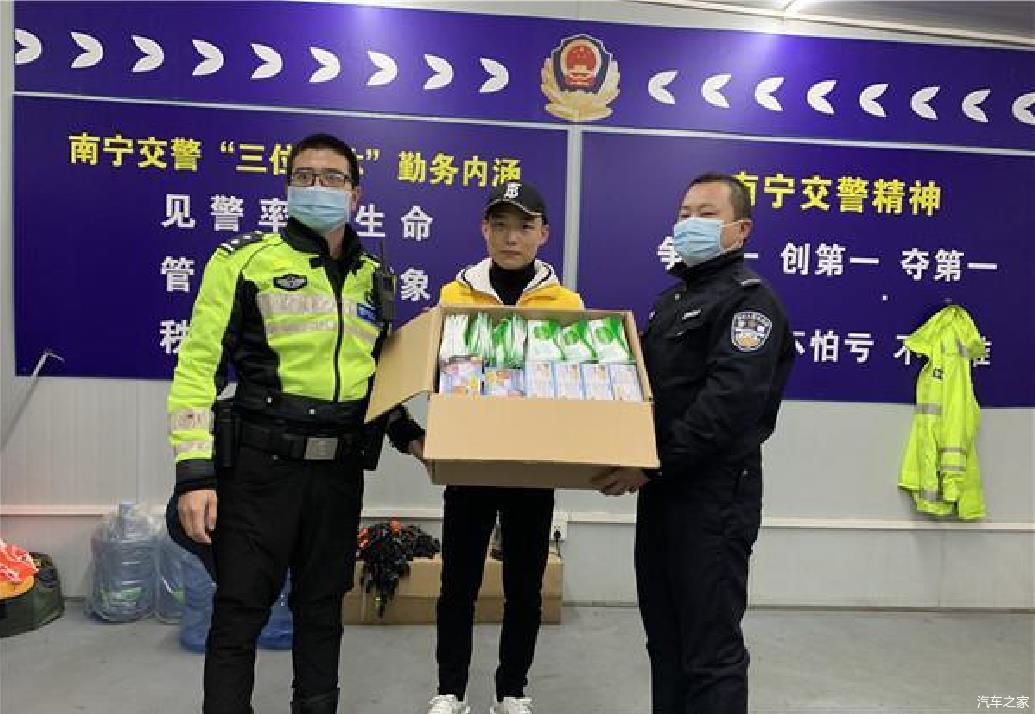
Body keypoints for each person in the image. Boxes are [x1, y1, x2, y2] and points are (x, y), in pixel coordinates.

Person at [166, 133, 425, 714]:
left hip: (338, 475)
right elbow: (197, 371)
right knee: (240, 611)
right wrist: (194, 474)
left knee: (322, 610)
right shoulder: (243, 261)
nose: (317, 188)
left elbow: (375, 379)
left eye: (332, 178)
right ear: (287, 188)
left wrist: (414, 438)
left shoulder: (374, 276)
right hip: (260, 471)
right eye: (304, 177)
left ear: (355, 194)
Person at [595, 172, 795, 714]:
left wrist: (651, 465)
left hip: (714, 498)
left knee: (710, 649)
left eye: (707, 215)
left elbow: (728, 407)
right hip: (662, 493)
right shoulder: (670, 302)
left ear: (741, 229)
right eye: (684, 214)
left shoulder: (750, 305)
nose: (690, 224)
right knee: (665, 640)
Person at [425, 182, 582, 714]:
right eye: (500, 226)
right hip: (470, 461)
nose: (511, 238)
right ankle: (450, 691)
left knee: (525, 587)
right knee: (458, 584)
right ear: (484, 230)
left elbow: (576, 384)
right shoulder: (455, 296)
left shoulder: (566, 305)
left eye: (523, 226)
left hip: (533, 464)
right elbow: (435, 373)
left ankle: (511, 691)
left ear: (544, 234)